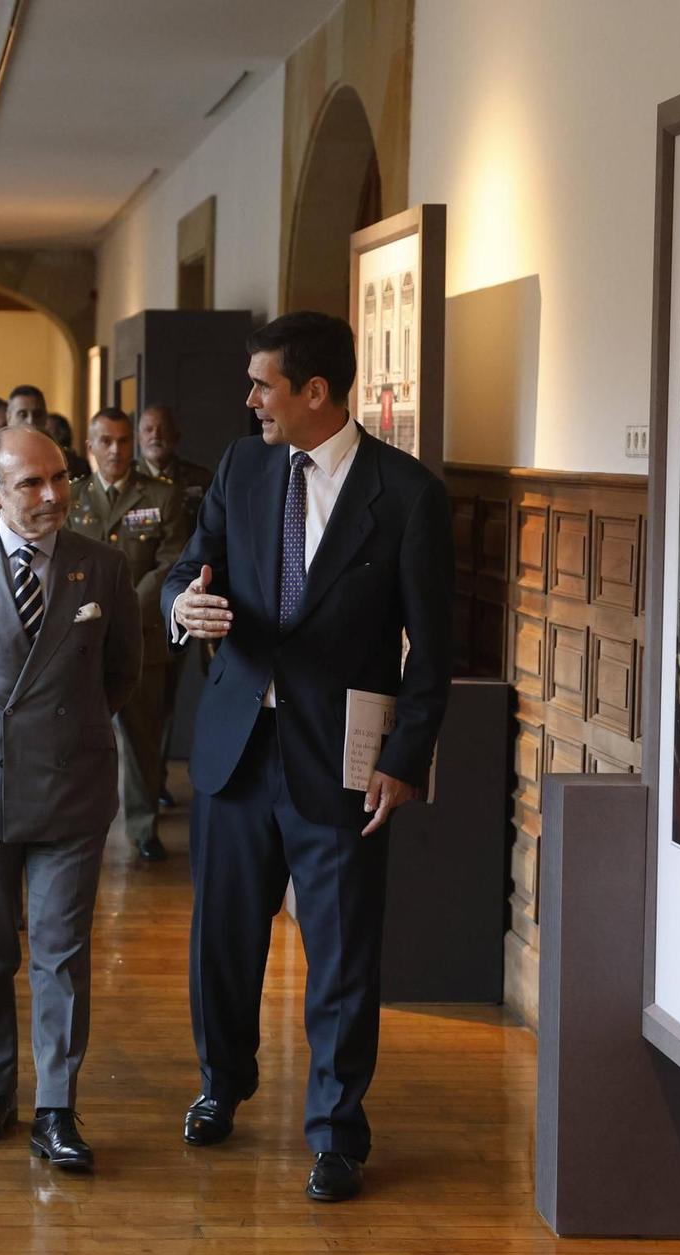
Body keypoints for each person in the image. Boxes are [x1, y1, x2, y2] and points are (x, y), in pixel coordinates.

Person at [164, 310, 452, 1204]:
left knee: (341, 954)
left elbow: (435, 647)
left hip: (343, 762)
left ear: (315, 392)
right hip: (236, 748)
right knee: (224, 938)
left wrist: (405, 759)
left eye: (264, 384)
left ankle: (335, 1132)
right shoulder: (242, 468)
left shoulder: (405, 494)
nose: (249, 399)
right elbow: (190, 567)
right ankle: (223, 1084)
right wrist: (185, 607)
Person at [0, 427, 141, 1172]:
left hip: (72, 782)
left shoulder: (103, 567)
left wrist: (61, 726)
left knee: (62, 952)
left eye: (60, 479)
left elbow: (122, 674)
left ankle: (56, 1106)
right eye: (31, 485)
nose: (52, 497)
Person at [65, 406, 189, 861]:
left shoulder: (162, 495)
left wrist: (121, 609)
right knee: (76, 735)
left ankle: (142, 826)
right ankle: (76, 824)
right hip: (78, 637)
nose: (116, 450)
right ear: (91, 446)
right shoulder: (72, 497)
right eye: (106, 441)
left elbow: (171, 562)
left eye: (122, 441)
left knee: (141, 737)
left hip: (140, 636)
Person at [136, 403, 214, 806]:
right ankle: (146, 783)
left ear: (176, 435)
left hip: (190, 604)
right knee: (142, 707)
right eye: (148, 428)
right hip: (141, 611)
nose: (155, 435)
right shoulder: (131, 485)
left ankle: (161, 775)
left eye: (162, 428)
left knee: (173, 697)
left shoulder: (198, 480)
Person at [7, 384, 89, 479]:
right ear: (9, 418)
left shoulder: (73, 464)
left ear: (46, 417)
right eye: (22, 414)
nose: (30, 421)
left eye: (37, 414)